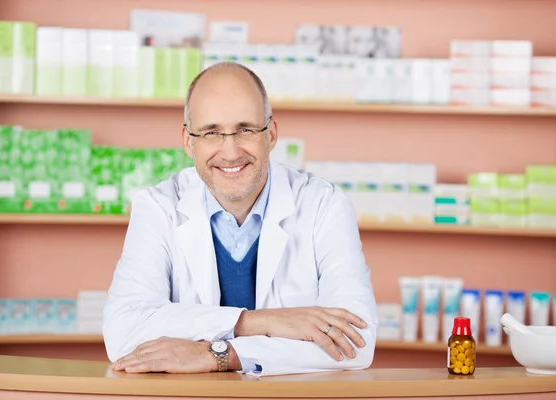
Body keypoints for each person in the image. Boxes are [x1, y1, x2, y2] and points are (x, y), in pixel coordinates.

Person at [103, 62, 378, 376]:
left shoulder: (324, 206)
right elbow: (123, 332)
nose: (230, 152)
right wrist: (259, 322)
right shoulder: (159, 207)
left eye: (246, 129)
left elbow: (356, 342)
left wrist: (220, 354)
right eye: (211, 133)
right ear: (188, 142)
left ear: (271, 134)